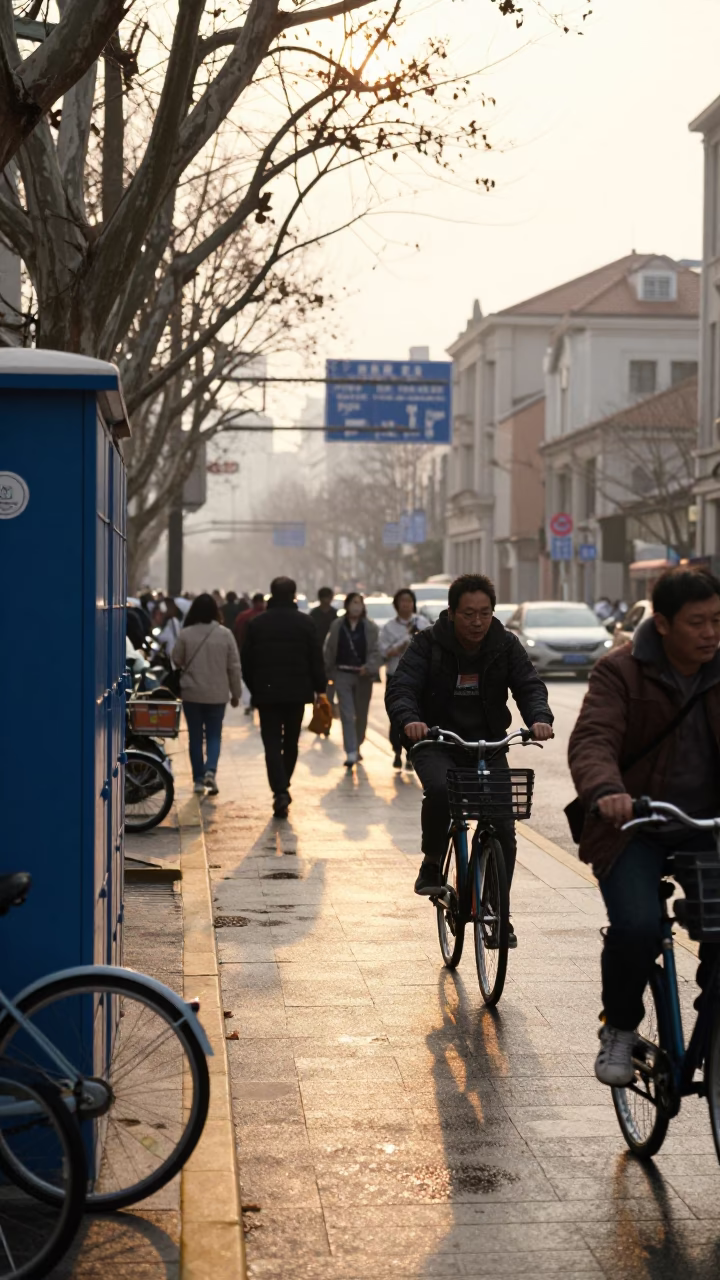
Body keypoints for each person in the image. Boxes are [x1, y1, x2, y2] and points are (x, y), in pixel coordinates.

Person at [568, 567, 720, 1087]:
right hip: (636, 824)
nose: (710, 633)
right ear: (663, 623)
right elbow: (593, 739)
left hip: (707, 827)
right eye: (697, 623)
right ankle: (621, 1026)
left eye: (717, 621)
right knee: (636, 927)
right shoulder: (620, 671)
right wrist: (608, 792)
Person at [384, 573, 554, 940]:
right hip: (437, 741)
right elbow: (402, 687)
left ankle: (496, 908)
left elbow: (528, 685)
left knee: (504, 827)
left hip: (487, 745)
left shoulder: (505, 644)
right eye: (468, 614)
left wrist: (539, 717)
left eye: (484, 613)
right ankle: (431, 863)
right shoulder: (427, 643)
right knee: (443, 794)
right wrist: (411, 720)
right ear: (452, 612)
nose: (477, 622)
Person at [241, 576, 326, 817]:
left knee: (271, 744)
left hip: (266, 695)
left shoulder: (257, 624)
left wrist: (255, 687)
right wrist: (321, 690)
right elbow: (315, 660)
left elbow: (245, 662)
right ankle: (283, 787)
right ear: (293, 595)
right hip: (297, 695)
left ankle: (280, 790)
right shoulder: (306, 623)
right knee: (290, 742)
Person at [172, 593, 242, 795]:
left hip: (192, 694)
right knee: (213, 735)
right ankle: (211, 769)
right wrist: (236, 693)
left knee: (195, 737)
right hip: (217, 695)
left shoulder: (186, 633)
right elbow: (234, 667)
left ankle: (198, 780)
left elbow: (176, 659)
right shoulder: (225, 634)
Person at [324, 593, 381, 769]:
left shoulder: (370, 627)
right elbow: (329, 649)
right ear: (347, 605)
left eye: (360, 603)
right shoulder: (337, 625)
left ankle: (357, 744)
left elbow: (377, 650)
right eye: (354, 603)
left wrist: (370, 666)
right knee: (347, 714)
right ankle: (350, 751)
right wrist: (329, 672)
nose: (357, 606)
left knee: (361, 715)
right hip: (342, 674)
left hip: (364, 676)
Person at [380, 589, 432, 769]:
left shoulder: (423, 622)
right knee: (398, 715)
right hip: (395, 675)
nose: (406, 605)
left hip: (419, 678)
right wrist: (405, 639)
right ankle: (396, 751)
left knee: (417, 716)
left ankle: (412, 753)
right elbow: (384, 653)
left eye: (409, 601)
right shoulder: (389, 627)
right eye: (402, 601)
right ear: (396, 604)